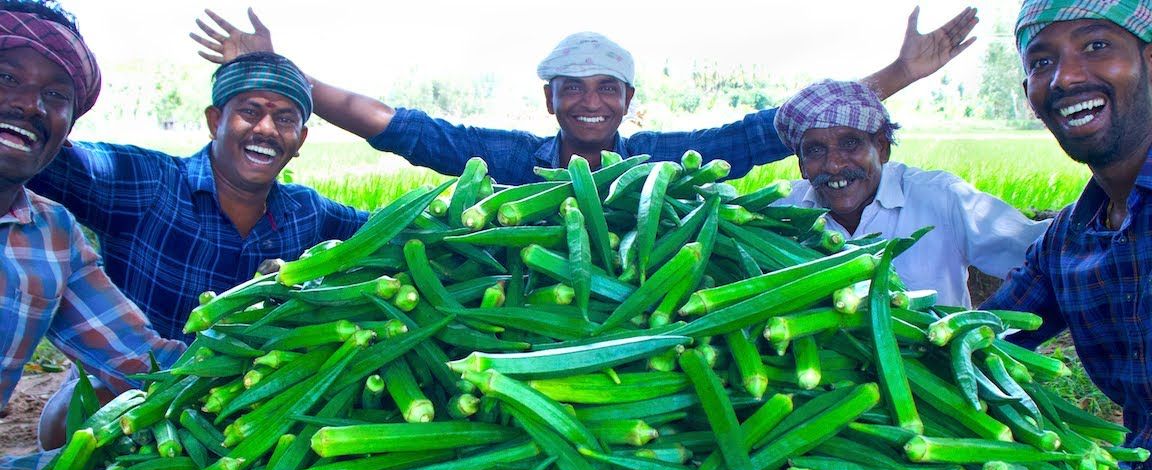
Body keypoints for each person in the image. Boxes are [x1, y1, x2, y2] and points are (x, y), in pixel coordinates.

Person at [191, 7, 980, 185]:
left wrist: (899, 76)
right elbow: (399, 127)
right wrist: (284, 73)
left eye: (609, 90)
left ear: (629, 101)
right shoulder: (507, 160)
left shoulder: (660, 164)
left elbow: (771, 131)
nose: (593, 104)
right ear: (551, 101)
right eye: (576, 91)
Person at [0, 0, 185, 470]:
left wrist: (273, 338)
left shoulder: (50, 234)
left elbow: (146, 359)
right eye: (6, 77)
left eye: (55, 96)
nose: (28, 104)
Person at [980, 1, 1152, 470]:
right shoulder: (1074, 233)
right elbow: (982, 336)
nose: (1065, 75)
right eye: (1041, 61)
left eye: (1095, 46)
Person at [25, 48, 371, 344]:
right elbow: (40, 156)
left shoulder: (309, 212)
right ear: (215, 121)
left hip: (242, 400)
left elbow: (401, 225)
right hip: (133, 387)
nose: (266, 129)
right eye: (250, 112)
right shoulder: (148, 182)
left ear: (301, 140)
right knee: (65, 410)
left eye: (285, 119)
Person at [771, 78, 1049, 308]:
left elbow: (1044, 255)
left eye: (850, 144)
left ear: (882, 148)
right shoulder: (779, 214)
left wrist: (992, 331)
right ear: (801, 165)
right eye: (816, 150)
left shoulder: (942, 199)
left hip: (935, 368)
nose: (834, 165)